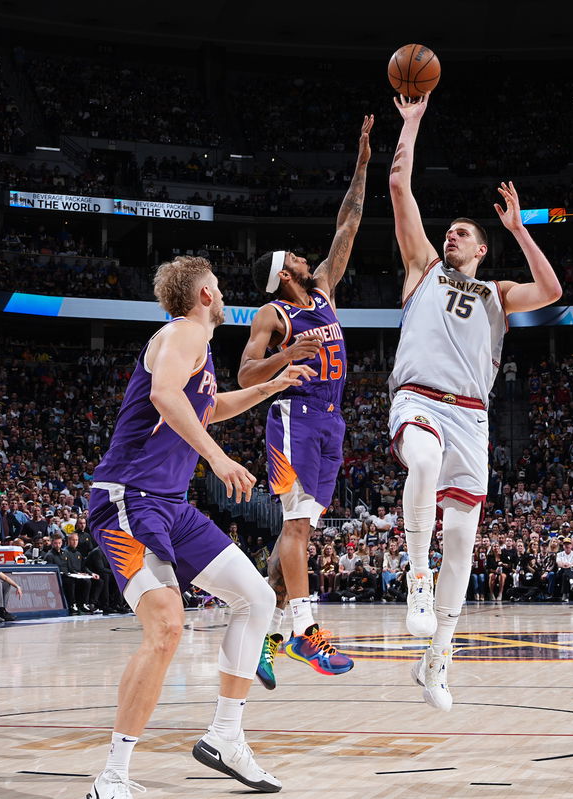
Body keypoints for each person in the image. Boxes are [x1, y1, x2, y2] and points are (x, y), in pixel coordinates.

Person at [85, 255, 312, 798]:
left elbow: (209, 407)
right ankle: (112, 777)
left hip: (170, 504)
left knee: (256, 598)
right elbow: (164, 394)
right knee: (166, 627)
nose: (224, 292)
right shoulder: (184, 331)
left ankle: (225, 738)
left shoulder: (200, 352)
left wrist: (272, 385)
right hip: (129, 498)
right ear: (204, 294)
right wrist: (216, 459)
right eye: (217, 284)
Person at [388, 92, 562, 710]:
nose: (451, 235)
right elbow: (399, 188)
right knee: (424, 465)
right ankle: (415, 578)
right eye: (450, 232)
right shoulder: (422, 270)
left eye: (462, 232)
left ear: (482, 249)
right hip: (420, 400)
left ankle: (438, 656)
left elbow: (552, 288)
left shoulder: (498, 292)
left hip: (473, 417)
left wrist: (520, 229)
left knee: (462, 538)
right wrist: (411, 122)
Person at [242, 115, 372, 689]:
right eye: (293, 255)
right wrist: (286, 351)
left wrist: (364, 161)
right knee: (296, 529)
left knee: (298, 534)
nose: (303, 255)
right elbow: (246, 371)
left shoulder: (323, 290)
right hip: (292, 416)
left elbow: (349, 221)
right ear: (282, 272)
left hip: (330, 421)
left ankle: (263, 640)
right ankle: (303, 629)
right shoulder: (276, 314)